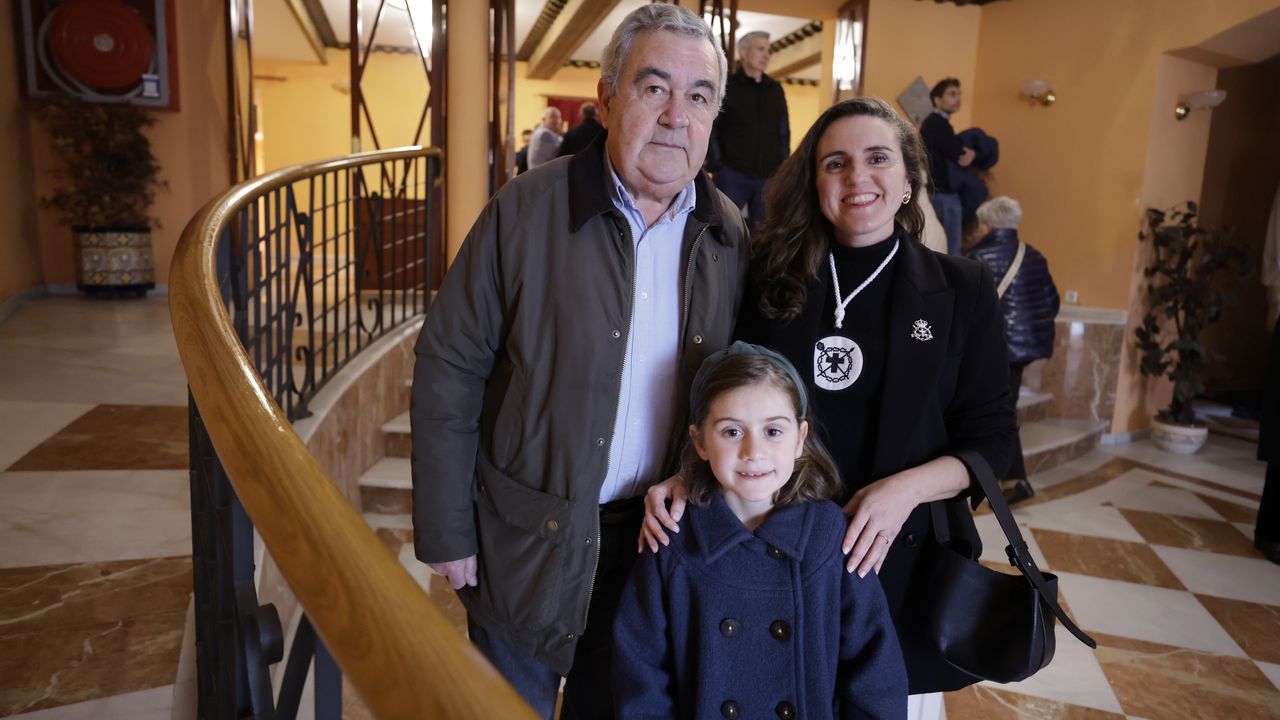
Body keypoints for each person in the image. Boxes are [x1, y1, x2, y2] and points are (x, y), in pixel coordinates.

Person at [410, 5, 746, 719]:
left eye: (699, 96)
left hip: (657, 548)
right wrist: (446, 529)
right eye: (654, 88)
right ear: (608, 97)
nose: (675, 116)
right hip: (526, 542)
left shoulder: (727, 232)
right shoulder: (525, 209)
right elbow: (449, 365)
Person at [641, 97, 1017, 717]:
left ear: (907, 180)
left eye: (877, 159)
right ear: (815, 182)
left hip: (902, 560)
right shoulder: (770, 280)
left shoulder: (961, 289)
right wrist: (691, 469)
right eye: (835, 163)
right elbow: (729, 402)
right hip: (776, 561)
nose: (856, 178)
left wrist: (904, 492)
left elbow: (993, 436)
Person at [613, 342, 908, 720]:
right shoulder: (672, 538)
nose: (753, 451)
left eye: (773, 431)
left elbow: (876, 676)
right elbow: (639, 675)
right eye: (732, 431)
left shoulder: (831, 536)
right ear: (700, 441)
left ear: (800, 439)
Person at [966, 196, 1059, 505]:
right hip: (1022, 351)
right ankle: (1012, 479)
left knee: (998, 415)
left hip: (990, 350)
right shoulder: (1034, 256)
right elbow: (1051, 301)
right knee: (1004, 410)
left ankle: (1013, 479)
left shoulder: (974, 258)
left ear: (988, 225)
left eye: (980, 225)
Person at [706, 30, 789, 232]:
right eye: (761, 49)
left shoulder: (775, 89)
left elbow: (783, 130)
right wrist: (717, 165)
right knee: (722, 229)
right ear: (744, 53)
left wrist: (783, 167)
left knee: (765, 235)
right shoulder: (728, 85)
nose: (766, 55)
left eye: (768, 50)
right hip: (732, 174)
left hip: (769, 177)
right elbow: (712, 126)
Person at [919, 78, 974, 255]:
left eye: (959, 94)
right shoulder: (936, 123)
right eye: (952, 94)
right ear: (937, 99)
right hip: (943, 195)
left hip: (938, 193)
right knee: (951, 252)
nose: (957, 99)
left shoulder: (937, 123)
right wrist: (971, 153)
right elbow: (959, 155)